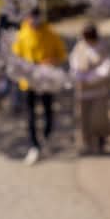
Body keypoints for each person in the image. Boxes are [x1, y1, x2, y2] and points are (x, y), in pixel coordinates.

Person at [12, 9, 67, 164]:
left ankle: (47, 137)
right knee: (30, 115)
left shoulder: (50, 33)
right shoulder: (22, 35)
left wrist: (51, 61)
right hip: (28, 82)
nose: (34, 20)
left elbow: (61, 54)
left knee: (48, 111)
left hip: (47, 79)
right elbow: (15, 57)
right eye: (31, 17)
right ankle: (34, 145)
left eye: (36, 17)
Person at [69, 23, 110, 154]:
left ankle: (101, 140)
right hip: (83, 90)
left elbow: (107, 65)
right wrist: (79, 74)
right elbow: (74, 63)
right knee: (83, 118)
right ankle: (86, 143)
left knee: (99, 117)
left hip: (98, 89)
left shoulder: (102, 48)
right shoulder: (79, 47)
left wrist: (94, 76)